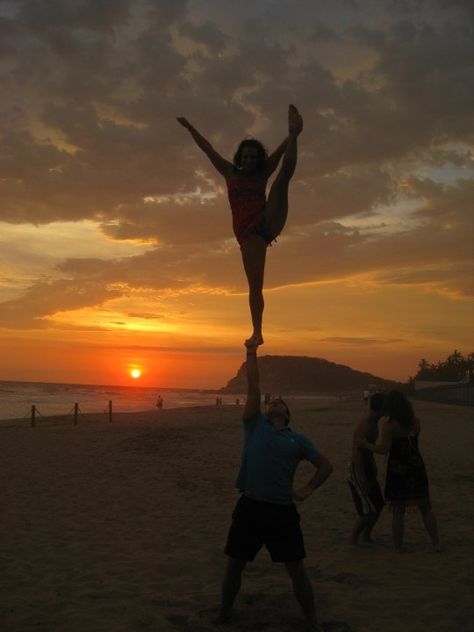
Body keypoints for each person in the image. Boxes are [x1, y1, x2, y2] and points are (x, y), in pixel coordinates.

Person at [216, 342, 333, 630]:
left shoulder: (299, 440)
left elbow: (326, 466)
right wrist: (251, 352)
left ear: (288, 414)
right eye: (272, 401)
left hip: (282, 512)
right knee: (234, 566)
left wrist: (306, 490)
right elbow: (253, 385)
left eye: (280, 402)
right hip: (250, 507)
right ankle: (224, 613)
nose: (274, 402)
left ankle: (313, 620)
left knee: (296, 570)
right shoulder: (254, 424)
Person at [177, 105, 303, 348]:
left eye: (253, 157)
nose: (248, 160)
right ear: (239, 158)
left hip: (267, 220)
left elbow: (279, 153)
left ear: (258, 160)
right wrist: (190, 128)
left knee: (283, 179)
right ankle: (258, 332)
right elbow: (207, 149)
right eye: (245, 157)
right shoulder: (229, 172)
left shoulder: (263, 173)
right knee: (255, 286)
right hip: (249, 237)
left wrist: (293, 135)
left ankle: (295, 130)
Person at [359, 390, 440, 552]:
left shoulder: (389, 426)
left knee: (398, 510)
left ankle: (398, 547)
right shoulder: (415, 422)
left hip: (398, 469)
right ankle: (436, 543)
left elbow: (383, 449)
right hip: (417, 467)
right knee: (425, 507)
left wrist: (366, 445)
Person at [348, 393, 385, 545]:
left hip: (368, 467)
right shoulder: (367, 425)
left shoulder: (374, 422)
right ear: (381, 408)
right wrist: (362, 477)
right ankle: (353, 539)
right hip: (359, 470)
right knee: (368, 510)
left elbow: (367, 450)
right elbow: (357, 453)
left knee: (378, 504)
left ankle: (366, 536)